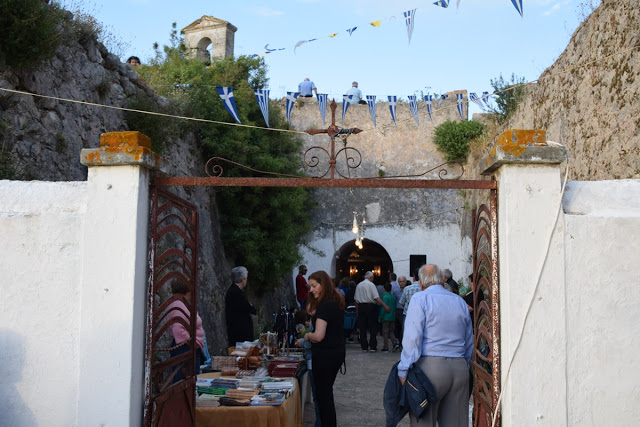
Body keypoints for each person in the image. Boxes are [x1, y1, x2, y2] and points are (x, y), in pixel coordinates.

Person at [398, 264, 473, 426]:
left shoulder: (420, 298)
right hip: (459, 368)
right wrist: (463, 363)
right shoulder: (459, 301)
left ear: (420, 283)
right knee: (456, 422)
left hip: (430, 368)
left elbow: (413, 338)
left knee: (424, 420)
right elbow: (469, 339)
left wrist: (403, 369)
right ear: (441, 280)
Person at [303, 270, 345, 427]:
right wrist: (313, 297)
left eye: (314, 286)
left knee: (323, 398)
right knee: (326, 395)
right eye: (310, 286)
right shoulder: (335, 301)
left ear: (324, 284)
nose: (311, 289)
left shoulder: (326, 305)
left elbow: (318, 335)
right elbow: (310, 310)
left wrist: (307, 337)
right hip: (335, 353)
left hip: (325, 356)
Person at [166, 279, 205, 382]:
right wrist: (193, 342)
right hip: (185, 347)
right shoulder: (179, 305)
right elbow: (178, 329)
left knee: (186, 381)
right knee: (186, 381)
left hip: (185, 346)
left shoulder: (179, 303)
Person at [295, 310, 321, 427]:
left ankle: (319, 422)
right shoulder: (317, 319)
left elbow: (315, 340)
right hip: (313, 359)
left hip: (313, 359)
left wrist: (303, 342)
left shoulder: (319, 319)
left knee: (317, 395)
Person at [354, 271, 390, 353]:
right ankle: (372, 346)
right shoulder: (371, 285)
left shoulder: (359, 285)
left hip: (361, 307)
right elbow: (376, 297)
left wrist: (357, 310)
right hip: (370, 307)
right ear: (371, 278)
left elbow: (356, 300)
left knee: (362, 327)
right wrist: (385, 306)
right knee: (372, 327)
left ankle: (364, 347)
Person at [225, 266, 257, 346]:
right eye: (246, 278)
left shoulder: (233, 291)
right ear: (242, 279)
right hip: (240, 332)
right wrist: (250, 306)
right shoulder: (236, 293)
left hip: (236, 330)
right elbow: (249, 308)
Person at [378, 282, 398, 353]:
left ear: (384, 288)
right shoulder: (392, 297)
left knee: (385, 332)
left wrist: (380, 316)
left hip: (386, 317)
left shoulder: (384, 296)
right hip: (392, 316)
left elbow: (383, 308)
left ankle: (386, 346)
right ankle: (394, 342)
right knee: (390, 331)